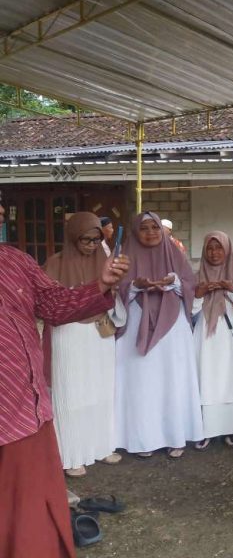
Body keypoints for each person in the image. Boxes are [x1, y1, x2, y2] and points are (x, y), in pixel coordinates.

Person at [0, 199, 130, 558]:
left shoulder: (15, 260)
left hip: (27, 405)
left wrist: (101, 283)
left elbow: (54, 305)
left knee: (30, 501)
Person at [43, 212, 127, 477]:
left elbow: (115, 296)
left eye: (96, 240)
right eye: (85, 240)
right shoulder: (55, 263)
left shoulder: (105, 261)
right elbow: (49, 302)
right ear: (72, 237)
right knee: (72, 392)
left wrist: (114, 288)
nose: (91, 245)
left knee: (101, 390)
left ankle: (101, 445)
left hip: (99, 331)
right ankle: (72, 453)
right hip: (68, 333)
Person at [115, 212, 203, 458]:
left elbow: (191, 285)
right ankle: (143, 438)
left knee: (171, 378)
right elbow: (114, 288)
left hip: (173, 327)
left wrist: (174, 282)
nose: (151, 232)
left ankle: (175, 436)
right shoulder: (124, 256)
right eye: (144, 228)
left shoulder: (175, 253)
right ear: (136, 232)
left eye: (155, 227)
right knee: (141, 380)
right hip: (136, 321)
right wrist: (134, 286)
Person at [192, 232, 233, 450]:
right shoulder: (197, 276)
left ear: (227, 250)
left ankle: (230, 428)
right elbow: (190, 311)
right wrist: (199, 293)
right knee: (206, 377)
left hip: (229, 331)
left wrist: (231, 289)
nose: (214, 253)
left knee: (229, 379)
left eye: (219, 248)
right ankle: (205, 430)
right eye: (210, 248)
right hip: (205, 334)